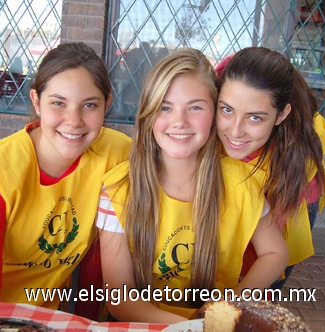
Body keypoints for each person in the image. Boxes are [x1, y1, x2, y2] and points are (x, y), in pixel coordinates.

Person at [0, 42, 131, 309]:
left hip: (34, 310)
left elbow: (99, 255)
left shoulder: (118, 153)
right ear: (36, 101)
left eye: (89, 105)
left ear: (106, 105)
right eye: (58, 103)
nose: (74, 120)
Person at [96, 48, 288, 323]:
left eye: (195, 107)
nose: (179, 121)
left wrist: (233, 303)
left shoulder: (241, 181)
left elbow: (276, 252)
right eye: (165, 107)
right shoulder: (118, 189)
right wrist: (190, 328)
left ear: (215, 113)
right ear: (148, 113)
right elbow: (120, 300)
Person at [215, 46, 325, 289]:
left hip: (288, 189)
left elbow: (273, 255)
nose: (235, 131)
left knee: (263, 287)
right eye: (227, 109)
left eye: (255, 117)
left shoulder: (297, 160)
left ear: (281, 115)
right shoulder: (210, 102)